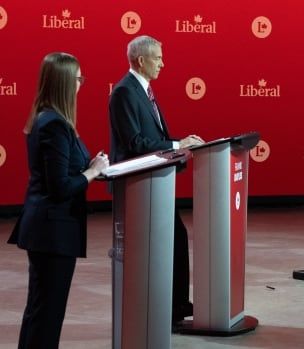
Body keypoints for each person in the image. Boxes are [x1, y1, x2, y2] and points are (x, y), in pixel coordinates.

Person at [8, 52, 109, 349]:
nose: (81, 84)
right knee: (46, 314)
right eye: (78, 78)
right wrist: (92, 173)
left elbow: (62, 172)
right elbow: (60, 187)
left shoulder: (52, 119)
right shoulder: (54, 124)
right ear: (65, 82)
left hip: (48, 230)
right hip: (52, 231)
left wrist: (89, 167)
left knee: (41, 310)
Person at [108, 35, 204, 324]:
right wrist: (177, 145)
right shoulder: (125, 92)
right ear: (141, 60)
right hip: (138, 185)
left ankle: (176, 305)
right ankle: (164, 308)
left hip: (155, 183)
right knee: (163, 241)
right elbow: (135, 142)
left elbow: (155, 136)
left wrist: (178, 146)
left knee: (175, 237)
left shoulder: (144, 90)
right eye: (158, 58)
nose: (163, 63)